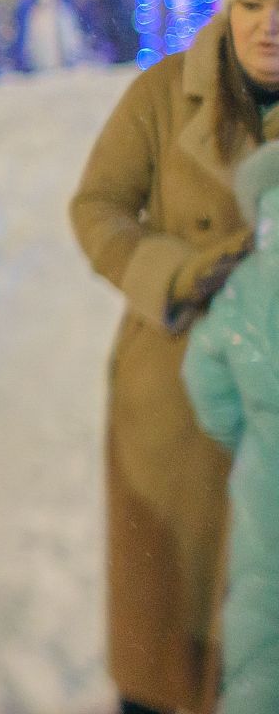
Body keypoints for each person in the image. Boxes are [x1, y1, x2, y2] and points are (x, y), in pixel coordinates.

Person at [70, 0, 279, 714]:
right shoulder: (162, 96)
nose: (267, 27)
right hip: (171, 408)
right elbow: (96, 208)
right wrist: (180, 272)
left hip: (274, 407)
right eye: (252, 5)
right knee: (170, 632)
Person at [184, 140, 279, 714]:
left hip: (266, 471)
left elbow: (206, 376)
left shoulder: (243, 288)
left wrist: (248, 438)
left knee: (260, 617)